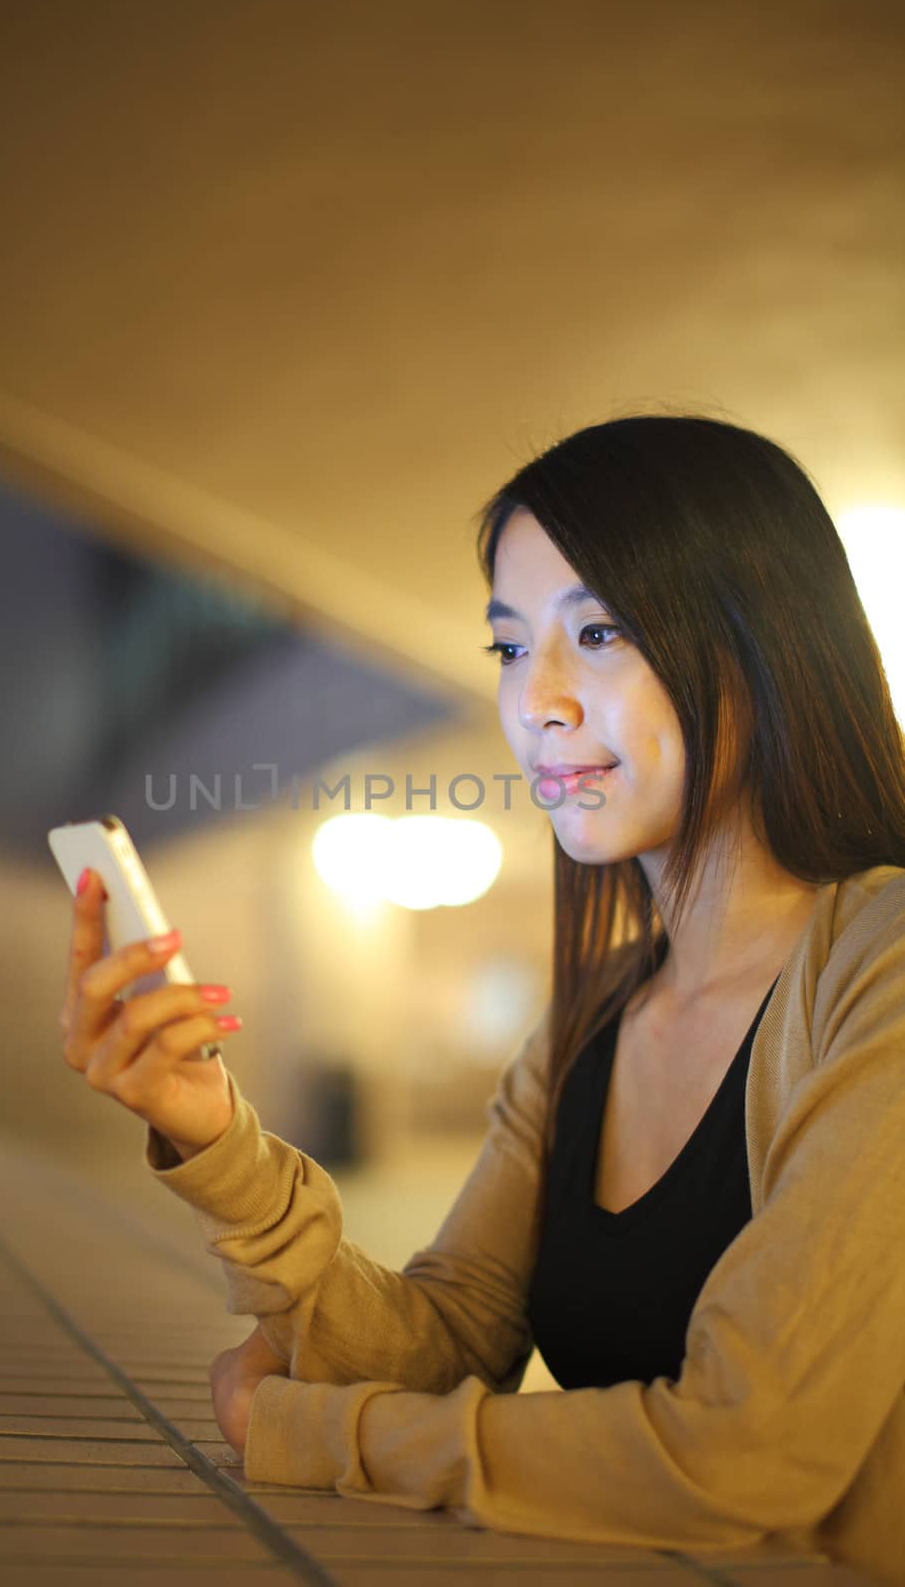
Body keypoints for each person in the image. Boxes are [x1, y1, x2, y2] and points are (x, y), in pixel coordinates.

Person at [59, 413, 905, 1586]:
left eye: (596, 630)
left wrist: (315, 1434)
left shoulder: (881, 965)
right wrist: (212, 1133)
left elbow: (744, 1448)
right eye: (509, 648)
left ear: (763, 644)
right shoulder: (591, 1024)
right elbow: (449, 1343)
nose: (535, 702)